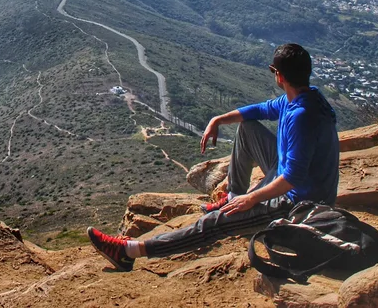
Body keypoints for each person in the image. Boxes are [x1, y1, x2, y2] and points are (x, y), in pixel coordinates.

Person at [87, 43, 339, 271]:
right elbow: (260, 110)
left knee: (216, 222)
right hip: (293, 178)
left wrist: (252, 198)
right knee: (248, 127)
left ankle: (129, 251)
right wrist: (217, 119)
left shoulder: (301, 116)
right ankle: (233, 194)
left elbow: (293, 178)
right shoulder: (301, 98)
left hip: (299, 203)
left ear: (279, 75)